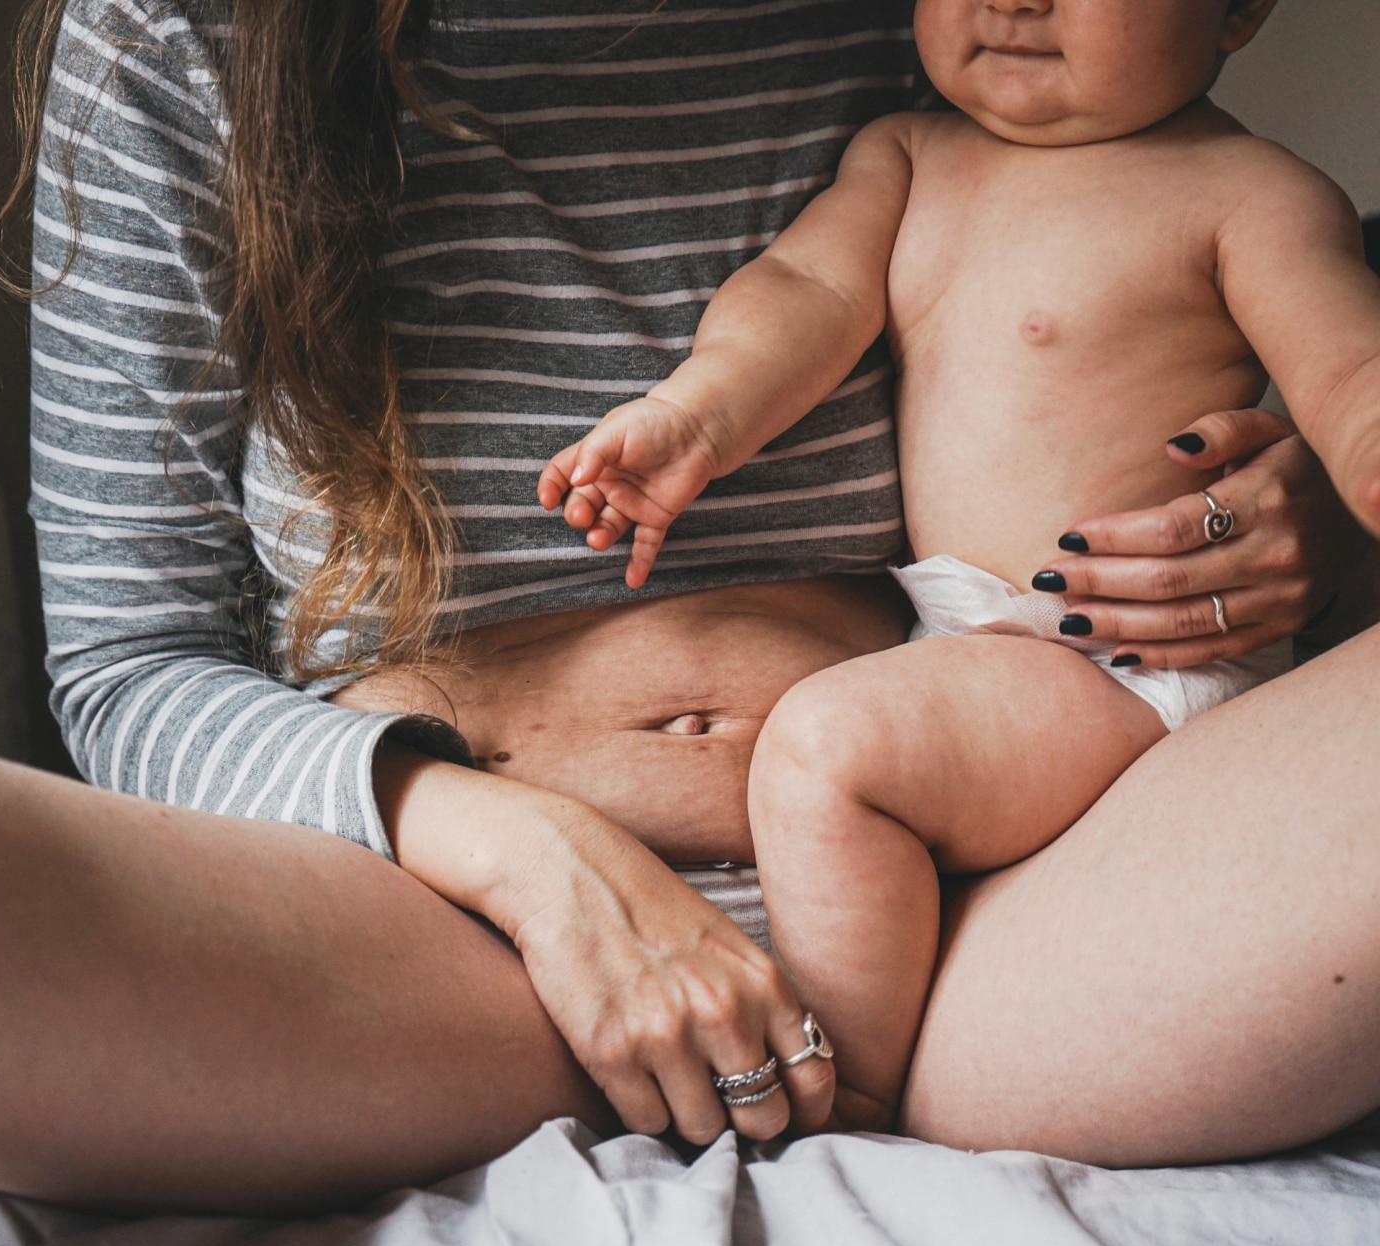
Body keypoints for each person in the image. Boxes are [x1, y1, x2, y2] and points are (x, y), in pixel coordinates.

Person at [0, 0, 1374, 1212]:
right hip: (440, 952)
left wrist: (1289, 493)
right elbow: (130, 670)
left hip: (989, 912)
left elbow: (1144, 296)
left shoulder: (936, 37)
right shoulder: (183, 36)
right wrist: (531, 864)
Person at [534, 0, 1380, 1126]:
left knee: (827, 751)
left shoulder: (1251, 193)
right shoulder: (906, 153)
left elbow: (1351, 367)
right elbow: (807, 295)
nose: (1015, 2)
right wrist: (696, 417)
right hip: (984, 650)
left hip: (1131, 663)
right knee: (850, 754)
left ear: (1236, 10)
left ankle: (851, 1098)